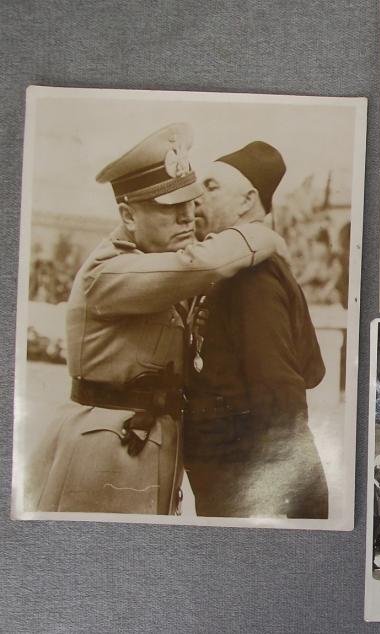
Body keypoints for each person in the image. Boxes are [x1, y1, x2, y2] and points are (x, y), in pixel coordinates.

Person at [36, 123, 287, 514]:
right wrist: (264, 235)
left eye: (191, 204)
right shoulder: (108, 271)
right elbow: (198, 264)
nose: (188, 218)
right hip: (104, 449)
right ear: (128, 216)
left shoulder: (152, 261)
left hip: (145, 443)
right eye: (172, 209)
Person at [183, 141, 327, 518]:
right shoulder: (234, 268)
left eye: (210, 187)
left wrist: (290, 500)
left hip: (244, 480)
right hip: (231, 474)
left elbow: (280, 390)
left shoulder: (253, 277)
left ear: (247, 201)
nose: (196, 197)